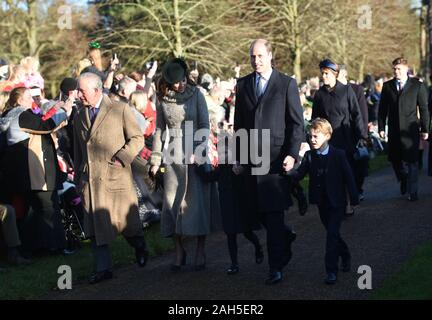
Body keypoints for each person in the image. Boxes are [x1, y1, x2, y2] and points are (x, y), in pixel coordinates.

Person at [233, 39, 304, 285]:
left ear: (270, 56)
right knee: (255, 212)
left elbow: (297, 123)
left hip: (276, 161)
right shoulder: (242, 85)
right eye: (252, 56)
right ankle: (285, 234)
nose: (256, 61)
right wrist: (238, 158)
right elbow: (239, 125)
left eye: (260, 56)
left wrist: (292, 154)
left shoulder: (286, 84)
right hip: (252, 160)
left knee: (273, 214)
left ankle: (276, 267)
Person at [73, 72, 148, 284]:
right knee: (97, 228)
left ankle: (140, 246)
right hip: (91, 181)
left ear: (97, 90)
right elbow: (78, 150)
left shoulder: (119, 109)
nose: (79, 95)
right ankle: (103, 269)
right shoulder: (79, 116)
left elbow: (137, 138)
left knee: (126, 224)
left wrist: (122, 157)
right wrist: (80, 177)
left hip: (115, 177)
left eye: (82, 90)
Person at [149, 58, 218, 272]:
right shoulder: (163, 99)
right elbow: (160, 130)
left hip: (196, 153)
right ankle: (179, 249)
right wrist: (155, 158)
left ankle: (200, 248)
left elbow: (205, 125)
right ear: (169, 82)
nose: (181, 84)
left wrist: (198, 151)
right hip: (173, 155)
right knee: (172, 204)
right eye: (177, 82)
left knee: (197, 205)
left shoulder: (196, 94)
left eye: (183, 79)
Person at [0, 87, 72, 255]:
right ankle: (54, 247)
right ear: (18, 101)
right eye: (27, 97)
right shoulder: (21, 115)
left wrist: (58, 111)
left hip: (29, 173)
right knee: (48, 208)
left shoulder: (14, 116)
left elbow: (43, 121)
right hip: (35, 172)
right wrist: (64, 112)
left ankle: (36, 248)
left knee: (37, 210)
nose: (31, 100)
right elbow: (45, 126)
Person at [288, 118, 358, 284]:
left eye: (316, 136)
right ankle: (345, 253)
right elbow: (300, 174)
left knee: (331, 235)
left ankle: (331, 271)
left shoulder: (338, 155)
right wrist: (289, 172)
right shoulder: (309, 156)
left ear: (327, 136)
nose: (312, 139)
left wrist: (353, 199)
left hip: (337, 202)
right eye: (310, 136)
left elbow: (349, 178)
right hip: (321, 202)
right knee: (332, 233)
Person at [312, 59, 366, 215]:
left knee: (345, 172)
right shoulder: (320, 94)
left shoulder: (347, 91)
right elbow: (316, 118)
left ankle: (348, 203)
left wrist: (361, 135)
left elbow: (356, 114)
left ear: (335, 74)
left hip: (345, 139)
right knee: (331, 174)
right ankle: (334, 204)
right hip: (327, 141)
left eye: (327, 73)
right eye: (322, 73)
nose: (324, 76)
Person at [378, 57, 429, 201]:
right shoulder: (387, 86)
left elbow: (424, 109)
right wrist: (381, 127)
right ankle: (403, 178)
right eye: (394, 69)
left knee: (412, 161)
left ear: (406, 69)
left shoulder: (417, 85)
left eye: (399, 69)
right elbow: (382, 109)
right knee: (395, 159)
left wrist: (425, 129)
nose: (396, 72)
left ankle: (413, 192)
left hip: (410, 130)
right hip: (394, 129)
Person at [337, 65, 369, 201]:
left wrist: (363, 135)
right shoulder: (329, 91)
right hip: (339, 136)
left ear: (343, 75)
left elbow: (362, 112)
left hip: (355, 134)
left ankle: (358, 188)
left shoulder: (356, 89)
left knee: (359, 164)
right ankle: (348, 195)